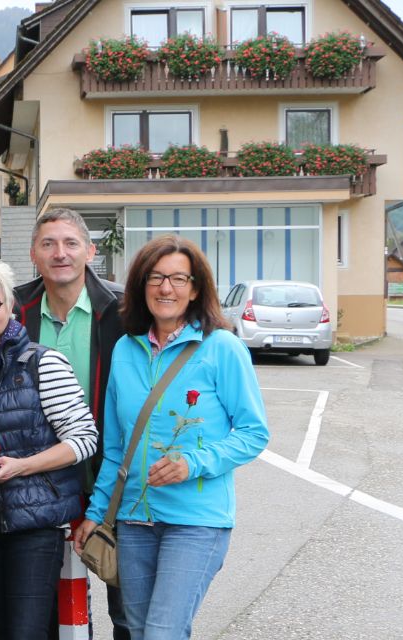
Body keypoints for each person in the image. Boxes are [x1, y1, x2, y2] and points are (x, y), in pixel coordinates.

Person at [74, 236, 269, 640]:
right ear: (141, 286)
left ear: (196, 289)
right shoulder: (125, 350)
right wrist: (96, 512)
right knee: (138, 629)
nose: (166, 288)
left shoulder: (222, 347)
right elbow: (116, 448)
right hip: (133, 518)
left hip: (196, 521)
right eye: (156, 277)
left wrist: (192, 463)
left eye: (179, 278)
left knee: (162, 632)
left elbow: (254, 433)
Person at [0, 259, 99, 639]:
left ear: (10, 306)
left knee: (27, 633)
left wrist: (22, 466)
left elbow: (84, 438)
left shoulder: (42, 364)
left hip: (34, 523)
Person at [9, 208, 130, 639]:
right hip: (38, 482)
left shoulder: (124, 310)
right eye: (48, 244)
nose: (60, 253)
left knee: (128, 607)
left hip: (111, 477)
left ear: (90, 252)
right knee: (53, 608)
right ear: (33, 255)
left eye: (70, 243)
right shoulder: (12, 310)